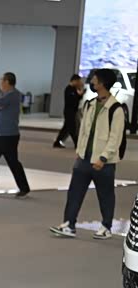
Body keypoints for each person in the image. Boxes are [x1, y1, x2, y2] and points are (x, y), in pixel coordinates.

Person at [50, 69, 126, 240]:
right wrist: (79, 152)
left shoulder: (116, 109)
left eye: (95, 79)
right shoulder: (89, 104)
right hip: (84, 158)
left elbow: (115, 138)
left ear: (102, 83)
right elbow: (83, 131)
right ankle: (69, 224)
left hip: (103, 162)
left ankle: (106, 226)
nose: (91, 82)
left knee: (105, 195)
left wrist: (104, 157)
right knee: (74, 193)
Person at [54, 74, 85, 148]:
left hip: (73, 111)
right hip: (69, 112)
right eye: (78, 81)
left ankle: (57, 142)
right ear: (74, 81)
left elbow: (77, 99)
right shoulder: (68, 89)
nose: (79, 83)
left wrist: (81, 94)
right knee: (72, 128)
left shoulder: (74, 89)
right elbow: (72, 100)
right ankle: (77, 144)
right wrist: (79, 95)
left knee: (66, 128)